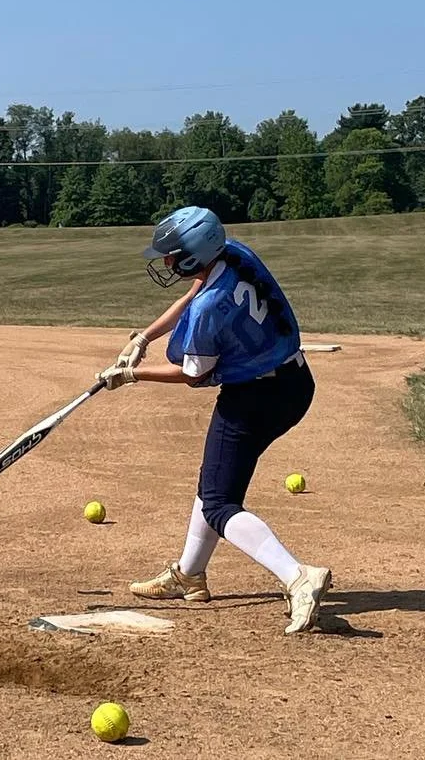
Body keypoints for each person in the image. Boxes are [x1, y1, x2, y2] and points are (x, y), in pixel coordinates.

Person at [96, 205, 330, 636]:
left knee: (219, 503)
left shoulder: (210, 309)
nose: (166, 263)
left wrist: (131, 375)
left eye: (172, 256)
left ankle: (297, 576)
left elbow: (193, 373)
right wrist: (143, 338)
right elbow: (194, 292)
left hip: (254, 398)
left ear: (192, 256)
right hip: (294, 384)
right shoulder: (234, 254)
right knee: (216, 479)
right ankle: (189, 575)